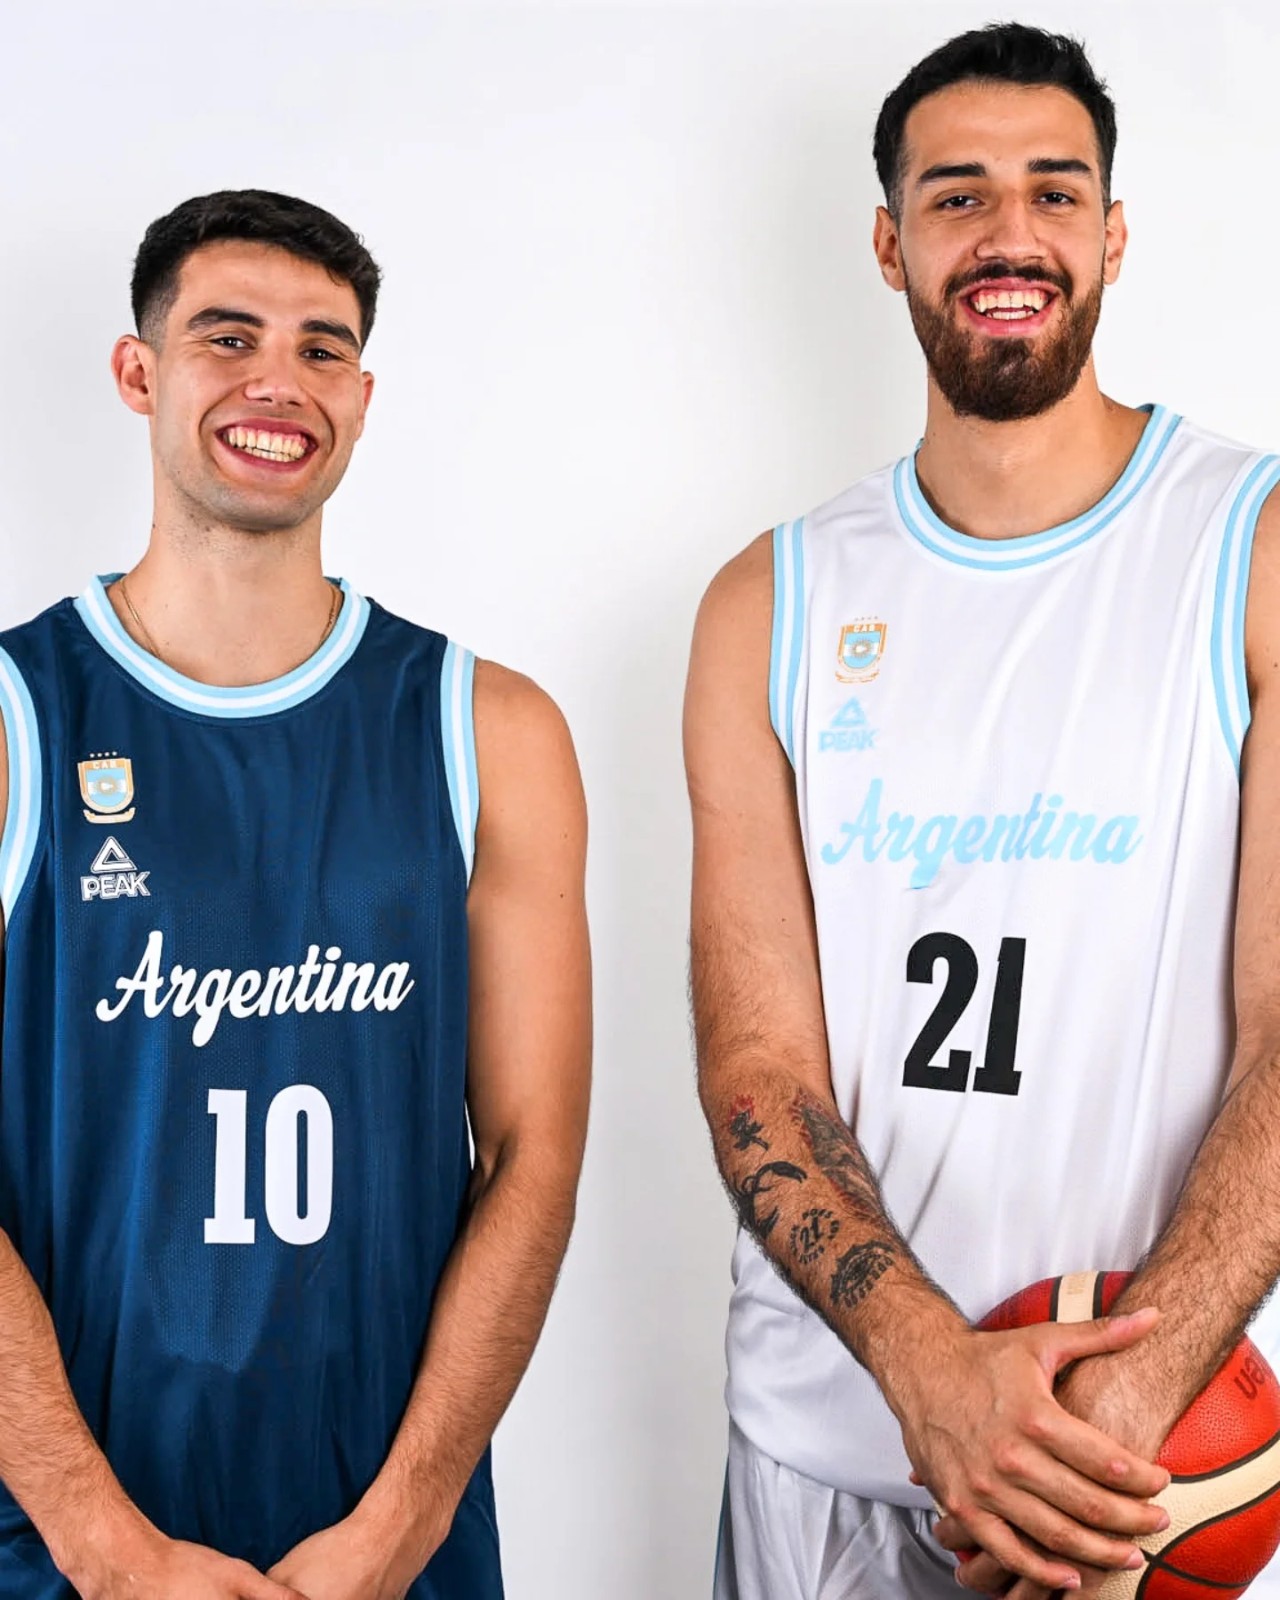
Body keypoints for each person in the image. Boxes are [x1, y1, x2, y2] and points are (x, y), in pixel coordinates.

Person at [685, 22, 1280, 1599]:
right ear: (889, 245)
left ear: (1113, 235)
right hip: (829, 1443)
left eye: (1053, 192)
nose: (1010, 234)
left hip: (1140, 1466)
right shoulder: (769, 604)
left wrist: (1119, 1424)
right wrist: (933, 1375)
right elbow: (758, 1068)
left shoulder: (1252, 547)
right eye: (957, 197)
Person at [0, 189, 590, 1600]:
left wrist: (397, 1531)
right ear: (138, 371)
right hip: (59, 1554)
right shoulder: (18, 718)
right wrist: (108, 1547)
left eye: (322, 349)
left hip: (391, 1552)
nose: (279, 381)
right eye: (228, 337)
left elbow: (531, 1158)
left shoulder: (489, 728)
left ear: (363, 400)